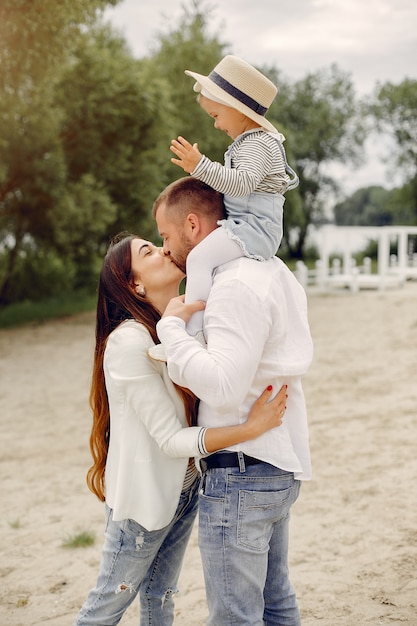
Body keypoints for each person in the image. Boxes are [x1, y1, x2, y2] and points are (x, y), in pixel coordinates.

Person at [73, 232, 288, 626]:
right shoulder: (127, 343)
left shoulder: (173, 327)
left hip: (185, 491)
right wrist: (249, 428)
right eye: (148, 251)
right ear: (135, 284)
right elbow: (171, 440)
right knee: (105, 607)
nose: (164, 250)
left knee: (160, 597)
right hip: (144, 504)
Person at [153, 177, 313, 626]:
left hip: (244, 474)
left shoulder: (235, 285)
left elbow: (222, 385)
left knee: (235, 618)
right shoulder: (271, 270)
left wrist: (170, 330)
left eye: (166, 237)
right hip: (271, 462)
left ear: (192, 224)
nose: (166, 249)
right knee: (276, 603)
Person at [169, 54, 299, 336]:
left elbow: (241, 184)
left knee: (199, 260)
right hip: (247, 225)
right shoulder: (252, 142)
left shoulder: (258, 144)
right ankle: (208, 322)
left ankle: (193, 333)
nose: (215, 125)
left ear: (238, 109)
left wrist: (200, 166)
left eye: (216, 116)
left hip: (255, 229)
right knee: (206, 260)